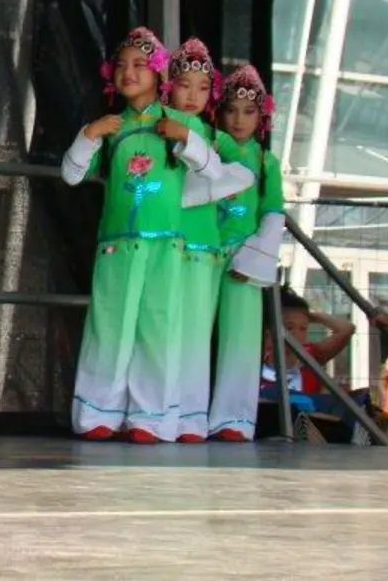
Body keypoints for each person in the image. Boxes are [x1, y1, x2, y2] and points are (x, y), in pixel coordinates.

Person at [60, 27, 233, 443]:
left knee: (158, 325)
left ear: (159, 74)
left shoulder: (175, 123)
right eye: (121, 65)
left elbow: (215, 173)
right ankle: (98, 412)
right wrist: (89, 135)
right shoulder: (110, 126)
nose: (128, 72)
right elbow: (70, 174)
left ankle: (150, 417)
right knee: (109, 324)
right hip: (116, 242)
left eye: (140, 65)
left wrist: (186, 139)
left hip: (164, 244)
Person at [159, 38, 253, 442]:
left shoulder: (215, 135)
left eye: (202, 88)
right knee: (161, 329)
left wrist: (196, 192)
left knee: (195, 334)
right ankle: (157, 413)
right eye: (184, 84)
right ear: (169, 84)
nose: (193, 96)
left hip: (202, 247)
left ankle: (191, 418)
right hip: (160, 243)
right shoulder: (155, 120)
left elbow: (246, 171)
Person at [207, 64, 285, 441]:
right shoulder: (204, 149)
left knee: (240, 338)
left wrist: (254, 258)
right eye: (231, 110)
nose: (239, 120)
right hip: (199, 250)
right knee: (184, 333)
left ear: (261, 116)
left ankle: (233, 420)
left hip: (242, 254)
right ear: (218, 112)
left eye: (249, 111)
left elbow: (273, 213)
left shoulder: (265, 163)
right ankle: (180, 413)